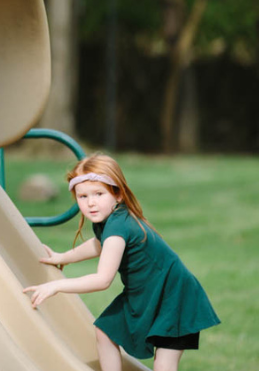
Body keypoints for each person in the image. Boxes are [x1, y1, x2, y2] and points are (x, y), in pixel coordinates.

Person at [23, 154, 220, 371]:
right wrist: (64, 257)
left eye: (98, 194)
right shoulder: (110, 220)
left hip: (174, 296)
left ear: (117, 194)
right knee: (105, 332)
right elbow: (99, 244)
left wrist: (57, 285)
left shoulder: (118, 226)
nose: (90, 203)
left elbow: (102, 280)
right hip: (146, 293)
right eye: (83, 196)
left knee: (164, 364)